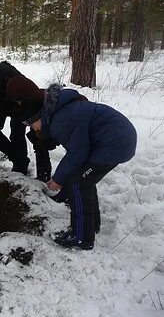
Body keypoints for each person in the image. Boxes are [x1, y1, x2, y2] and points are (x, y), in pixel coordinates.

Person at [21, 83, 137, 250]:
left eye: (31, 124)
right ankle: (92, 225)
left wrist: (58, 179)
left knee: (78, 182)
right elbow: (77, 153)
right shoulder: (59, 111)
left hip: (115, 144)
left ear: (39, 117)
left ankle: (81, 237)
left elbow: (77, 154)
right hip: (114, 140)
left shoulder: (61, 121)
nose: (32, 128)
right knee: (83, 178)